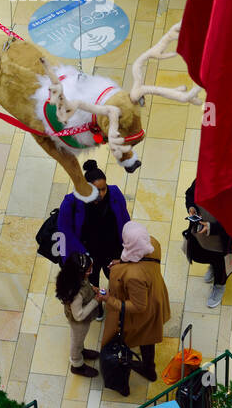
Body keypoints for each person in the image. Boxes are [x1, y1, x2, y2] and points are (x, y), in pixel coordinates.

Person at [95, 222, 171, 387]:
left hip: (146, 311)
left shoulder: (134, 276)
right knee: (147, 338)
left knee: (145, 337)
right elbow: (138, 258)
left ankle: (148, 369)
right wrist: (121, 262)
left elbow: (138, 307)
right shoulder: (153, 244)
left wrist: (109, 299)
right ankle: (148, 367)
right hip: (156, 294)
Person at [57, 159, 130, 317]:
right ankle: (98, 309)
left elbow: (125, 221)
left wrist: (128, 249)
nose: (101, 194)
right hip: (88, 254)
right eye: (96, 191)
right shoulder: (71, 203)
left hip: (113, 249)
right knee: (91, 284)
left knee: (117, 280)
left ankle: (116, 305)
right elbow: (65, 232)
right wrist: (82, 258)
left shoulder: (115, 193)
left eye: (103, 189)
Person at [183, 179, 232, 308]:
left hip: (222, 244)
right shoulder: (205, 177)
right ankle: (212, 266)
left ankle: (219, 286)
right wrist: (191, 207)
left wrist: (212, 228)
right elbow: (190, 194)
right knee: (204, 255)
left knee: (222, 267)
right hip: (200, 236)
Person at [56, 254, 101, 378]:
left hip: (82, 316)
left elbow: (85, 283)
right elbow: (79, 316)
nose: (91, 272)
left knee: (79, 340)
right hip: (79, 323)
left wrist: (92, 288)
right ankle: (77, 364)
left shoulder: (72, 278)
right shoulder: (76, 294)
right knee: (76, 341)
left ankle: (82, 350)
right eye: (89, 270)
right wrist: (96, 301)